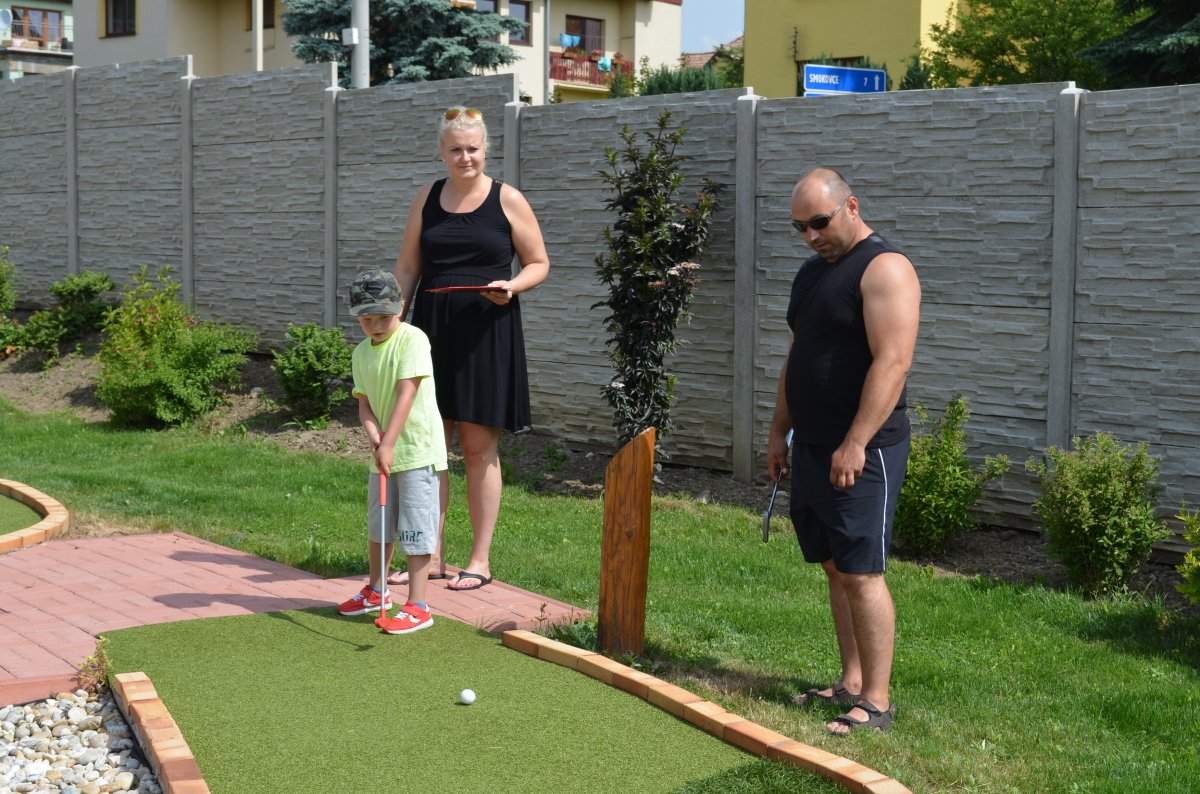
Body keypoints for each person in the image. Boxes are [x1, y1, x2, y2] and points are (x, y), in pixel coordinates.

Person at [767, 168, 921, 735]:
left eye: (819, 222)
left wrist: (855, 442)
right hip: (810, 444)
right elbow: (796, 354)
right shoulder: (812, 272)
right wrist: (778, 430)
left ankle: (877, 702)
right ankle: (851, 681)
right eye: (800, 228)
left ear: (851, 206)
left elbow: (893, 362)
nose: (811, 236)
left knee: (862, 572)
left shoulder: (886, 268)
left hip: (863, 448)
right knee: (835, 568)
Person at [392, 106, 550, 592]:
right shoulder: (427, 197)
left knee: (479, 449)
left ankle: (479, 561)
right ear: (442, 152)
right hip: (431, 332)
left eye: (473, 149)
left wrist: (512, 286)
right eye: (456, 149)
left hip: (487, 330)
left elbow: (539, 262)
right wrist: (392, 321)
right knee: (430, 449)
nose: (466, 157)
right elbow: (408, 267)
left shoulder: (509, 199)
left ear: (486, 149)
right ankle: (431, 556)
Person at [337, 269, 448, 635]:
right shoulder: (360, 353)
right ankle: (377, 591)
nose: (376, 325)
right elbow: (364, 404)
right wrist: (374, 435)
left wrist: (389, 443)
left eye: (383, 317)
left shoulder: (412, 340)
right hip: (384, 452)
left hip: (415, 450)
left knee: (415, 529)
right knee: (379, 525)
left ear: (400, 306)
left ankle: (418, 605)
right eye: (367, 319)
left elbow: (406, 394)